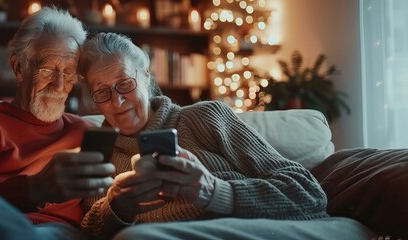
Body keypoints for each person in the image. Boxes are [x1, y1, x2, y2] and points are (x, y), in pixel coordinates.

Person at [77, 32, 375, 239]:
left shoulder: (205, 118)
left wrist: (215, 191)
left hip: (263, 229)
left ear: (146, 79)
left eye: (125, 84)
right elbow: (90, 231)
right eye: (102, 92)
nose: (117, 101)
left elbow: (308, 194)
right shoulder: (99, 152)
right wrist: (115, 207)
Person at [0, 8, 114, 240]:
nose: (59, 86)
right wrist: (34, 189)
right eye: (48, 70)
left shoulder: (84, 131)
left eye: (69, 74)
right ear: (19, 68)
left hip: (56, 234)